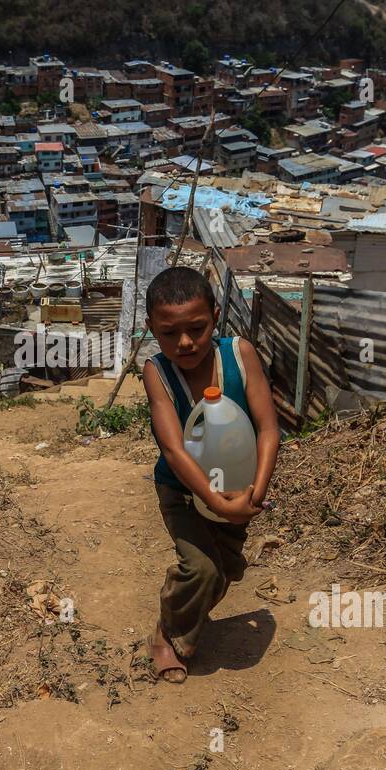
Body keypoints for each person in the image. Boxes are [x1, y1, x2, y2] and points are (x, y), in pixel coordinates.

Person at [140, 266, 280, 683]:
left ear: (215, 316)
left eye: (197, 329)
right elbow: (173, 449)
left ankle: (186, 614)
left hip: (237, 485)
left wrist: (254, 493)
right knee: (201, 569)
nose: (184, 343)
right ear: (151, 328)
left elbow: (268, 428)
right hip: (183, 492)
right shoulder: (157, 372)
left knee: (226, 571)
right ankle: (168, 637)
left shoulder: (240, 355)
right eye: (169, 333)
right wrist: (215, 502)